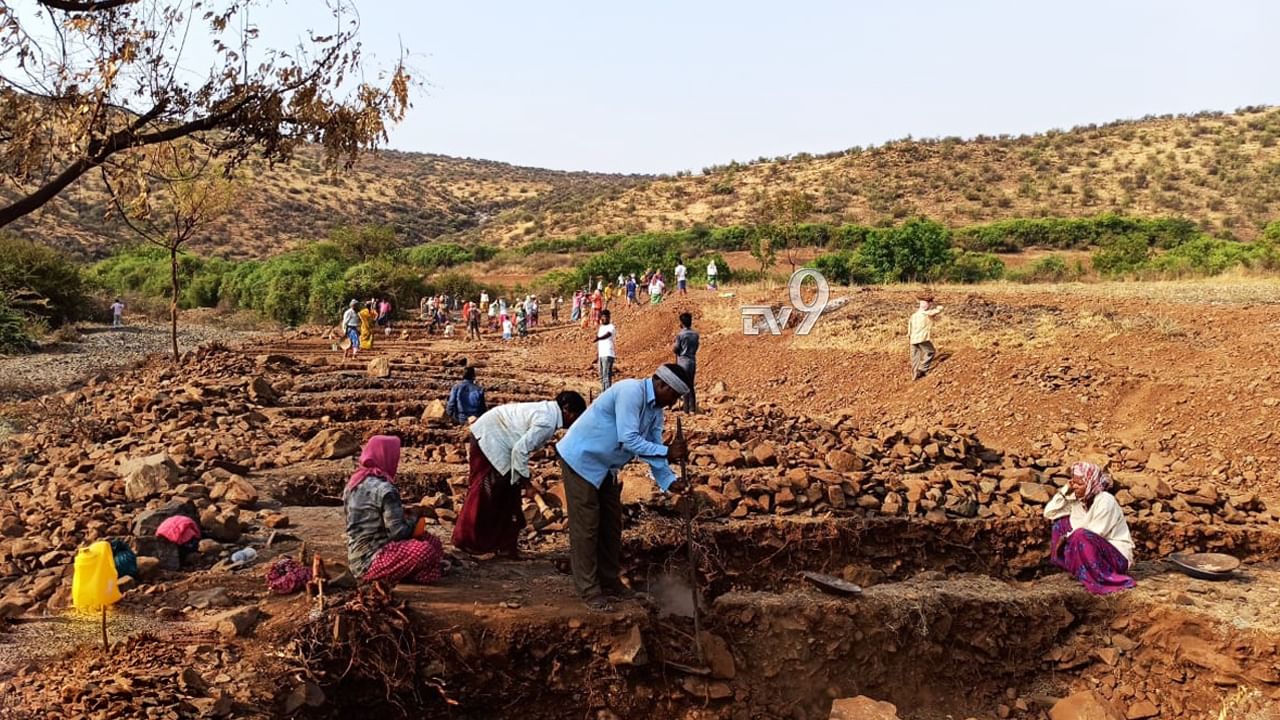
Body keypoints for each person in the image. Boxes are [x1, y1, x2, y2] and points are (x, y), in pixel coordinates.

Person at [555, 364, 693, 610]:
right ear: (662, 385)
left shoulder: (655, 412)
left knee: (611, 524)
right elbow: (628, 438)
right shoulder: (631, 392)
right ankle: (589, 589)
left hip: (606, 467)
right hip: (581, 459)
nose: (672, 403)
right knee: (586, 526)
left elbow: (652, 448)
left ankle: (609, 581)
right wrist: (668, 452)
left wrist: (669, 480)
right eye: (673, 396)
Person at [453, 391, 587, 557]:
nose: (575, 422)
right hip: (490, 439)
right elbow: (520, 450)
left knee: (508, 494)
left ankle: (505, 545)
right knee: (485, 491)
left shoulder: (548, 413)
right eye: (576, 416)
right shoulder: (547, 422)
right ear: (567, 411)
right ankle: (466, 540)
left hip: (497, 437)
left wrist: (522, 481)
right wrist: (526, 483)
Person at [343, 435, 444, 586]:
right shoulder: (386, 490)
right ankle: (402, 573)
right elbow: (398, 533)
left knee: (433, 543)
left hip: (356, 556)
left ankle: (404, 571)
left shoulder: (354, 482)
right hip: (372, 559)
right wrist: (415, 517)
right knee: (425, 550)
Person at [1044, 462, 1135, 595]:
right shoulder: (1078, 501)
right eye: (1073, 482)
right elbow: (1049, 513)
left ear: (1091, 484)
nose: (1074, 486)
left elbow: (1096, 532)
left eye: (1079, 484)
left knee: (1080, 535)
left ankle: (1103, 579)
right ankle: (1075, 568)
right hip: (1090, 549)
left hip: (1115, 558)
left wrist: (1067, 538)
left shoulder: (1106, 501)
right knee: (1060, 523)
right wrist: (1065, 490)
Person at [909, 295, 944, 380]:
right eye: (927, 302)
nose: (927, 304)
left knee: (915, 357)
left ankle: (914, 375)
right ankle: (922, 369)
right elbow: (936, 311)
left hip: (913, 338)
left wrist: (909, 337)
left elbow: (909, 328)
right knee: (931, 351)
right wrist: (939, 307)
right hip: (922, 338)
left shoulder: (914, 315)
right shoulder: (926, 313)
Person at [673, 312, 700, 413]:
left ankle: (686, 410)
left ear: (681, 323)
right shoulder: (695, 334)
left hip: (683, 362)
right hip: (692, 361)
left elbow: (676, 349)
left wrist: (676, 349)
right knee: (691, 385)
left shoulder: (680, 334)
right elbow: (697, 347)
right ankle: (692, 408)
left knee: (684, 385)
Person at [595, 309, 616, 392]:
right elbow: (600, 342)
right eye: (602, 317)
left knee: (606, 376)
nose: (603, 319)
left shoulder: (611, 327)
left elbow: (608, 335)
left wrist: (599, 338)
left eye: (605, 317)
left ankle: (607, 394)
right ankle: (603, 393)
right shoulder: (601, 328)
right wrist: (597, 355)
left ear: (608, 317)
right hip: (601, 354)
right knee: (602, 375)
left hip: (608, 354)